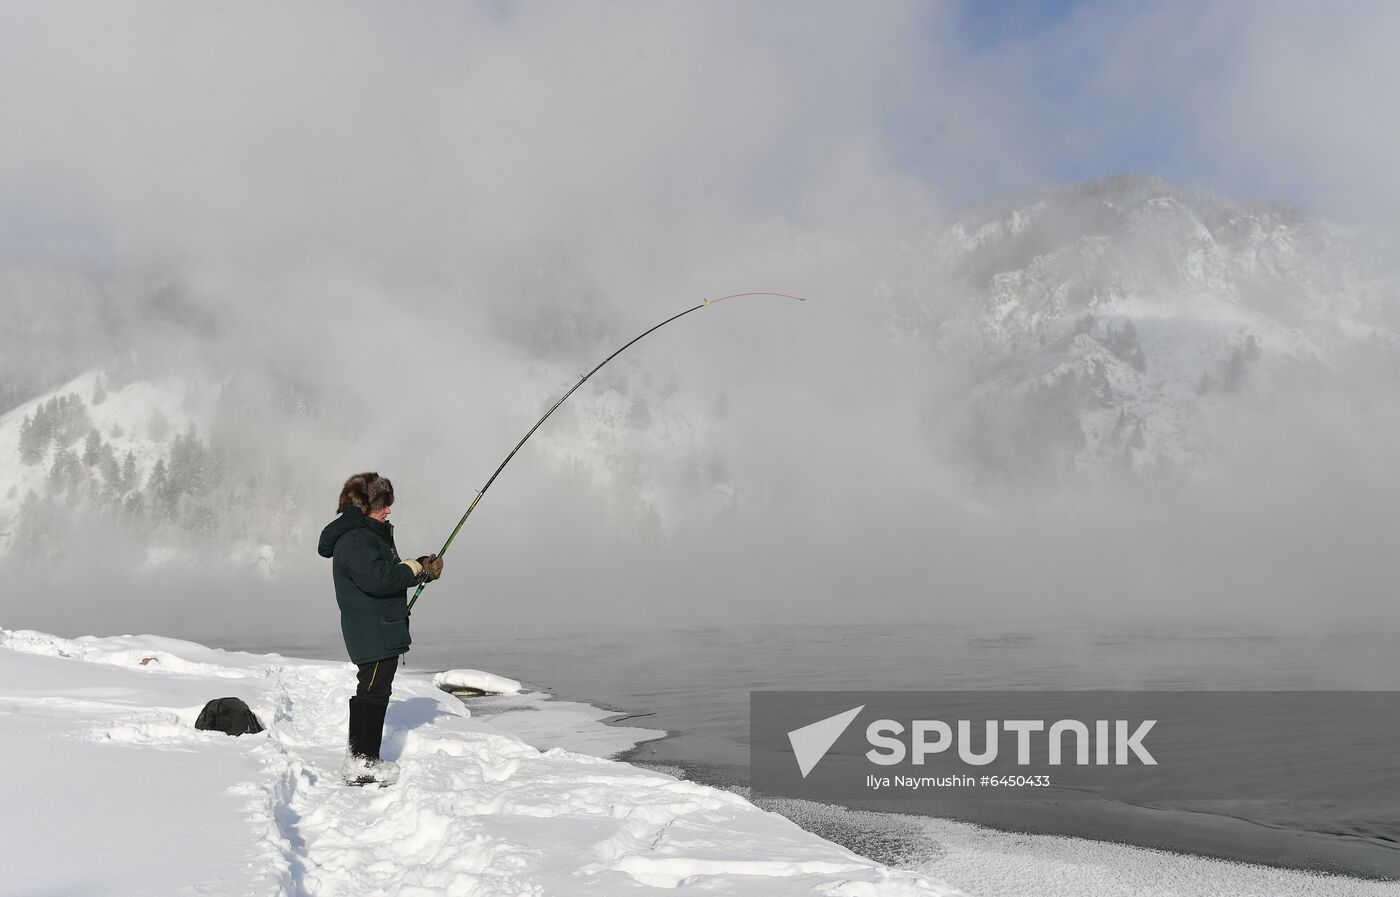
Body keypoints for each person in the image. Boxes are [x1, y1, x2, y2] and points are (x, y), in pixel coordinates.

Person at [317, 472, 444, 786]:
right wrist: (413, 568)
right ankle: (362, 764)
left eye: (387, 505)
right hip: (372, 632)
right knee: (372, 694)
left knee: (374, 691)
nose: (388, 511)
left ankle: (363, 760)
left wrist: (421, 568)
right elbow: (379, 580)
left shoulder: (369, 534)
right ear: (363, 507)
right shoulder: (356, 540)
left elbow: (387, 573)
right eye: (382, 506)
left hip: (380, 628)